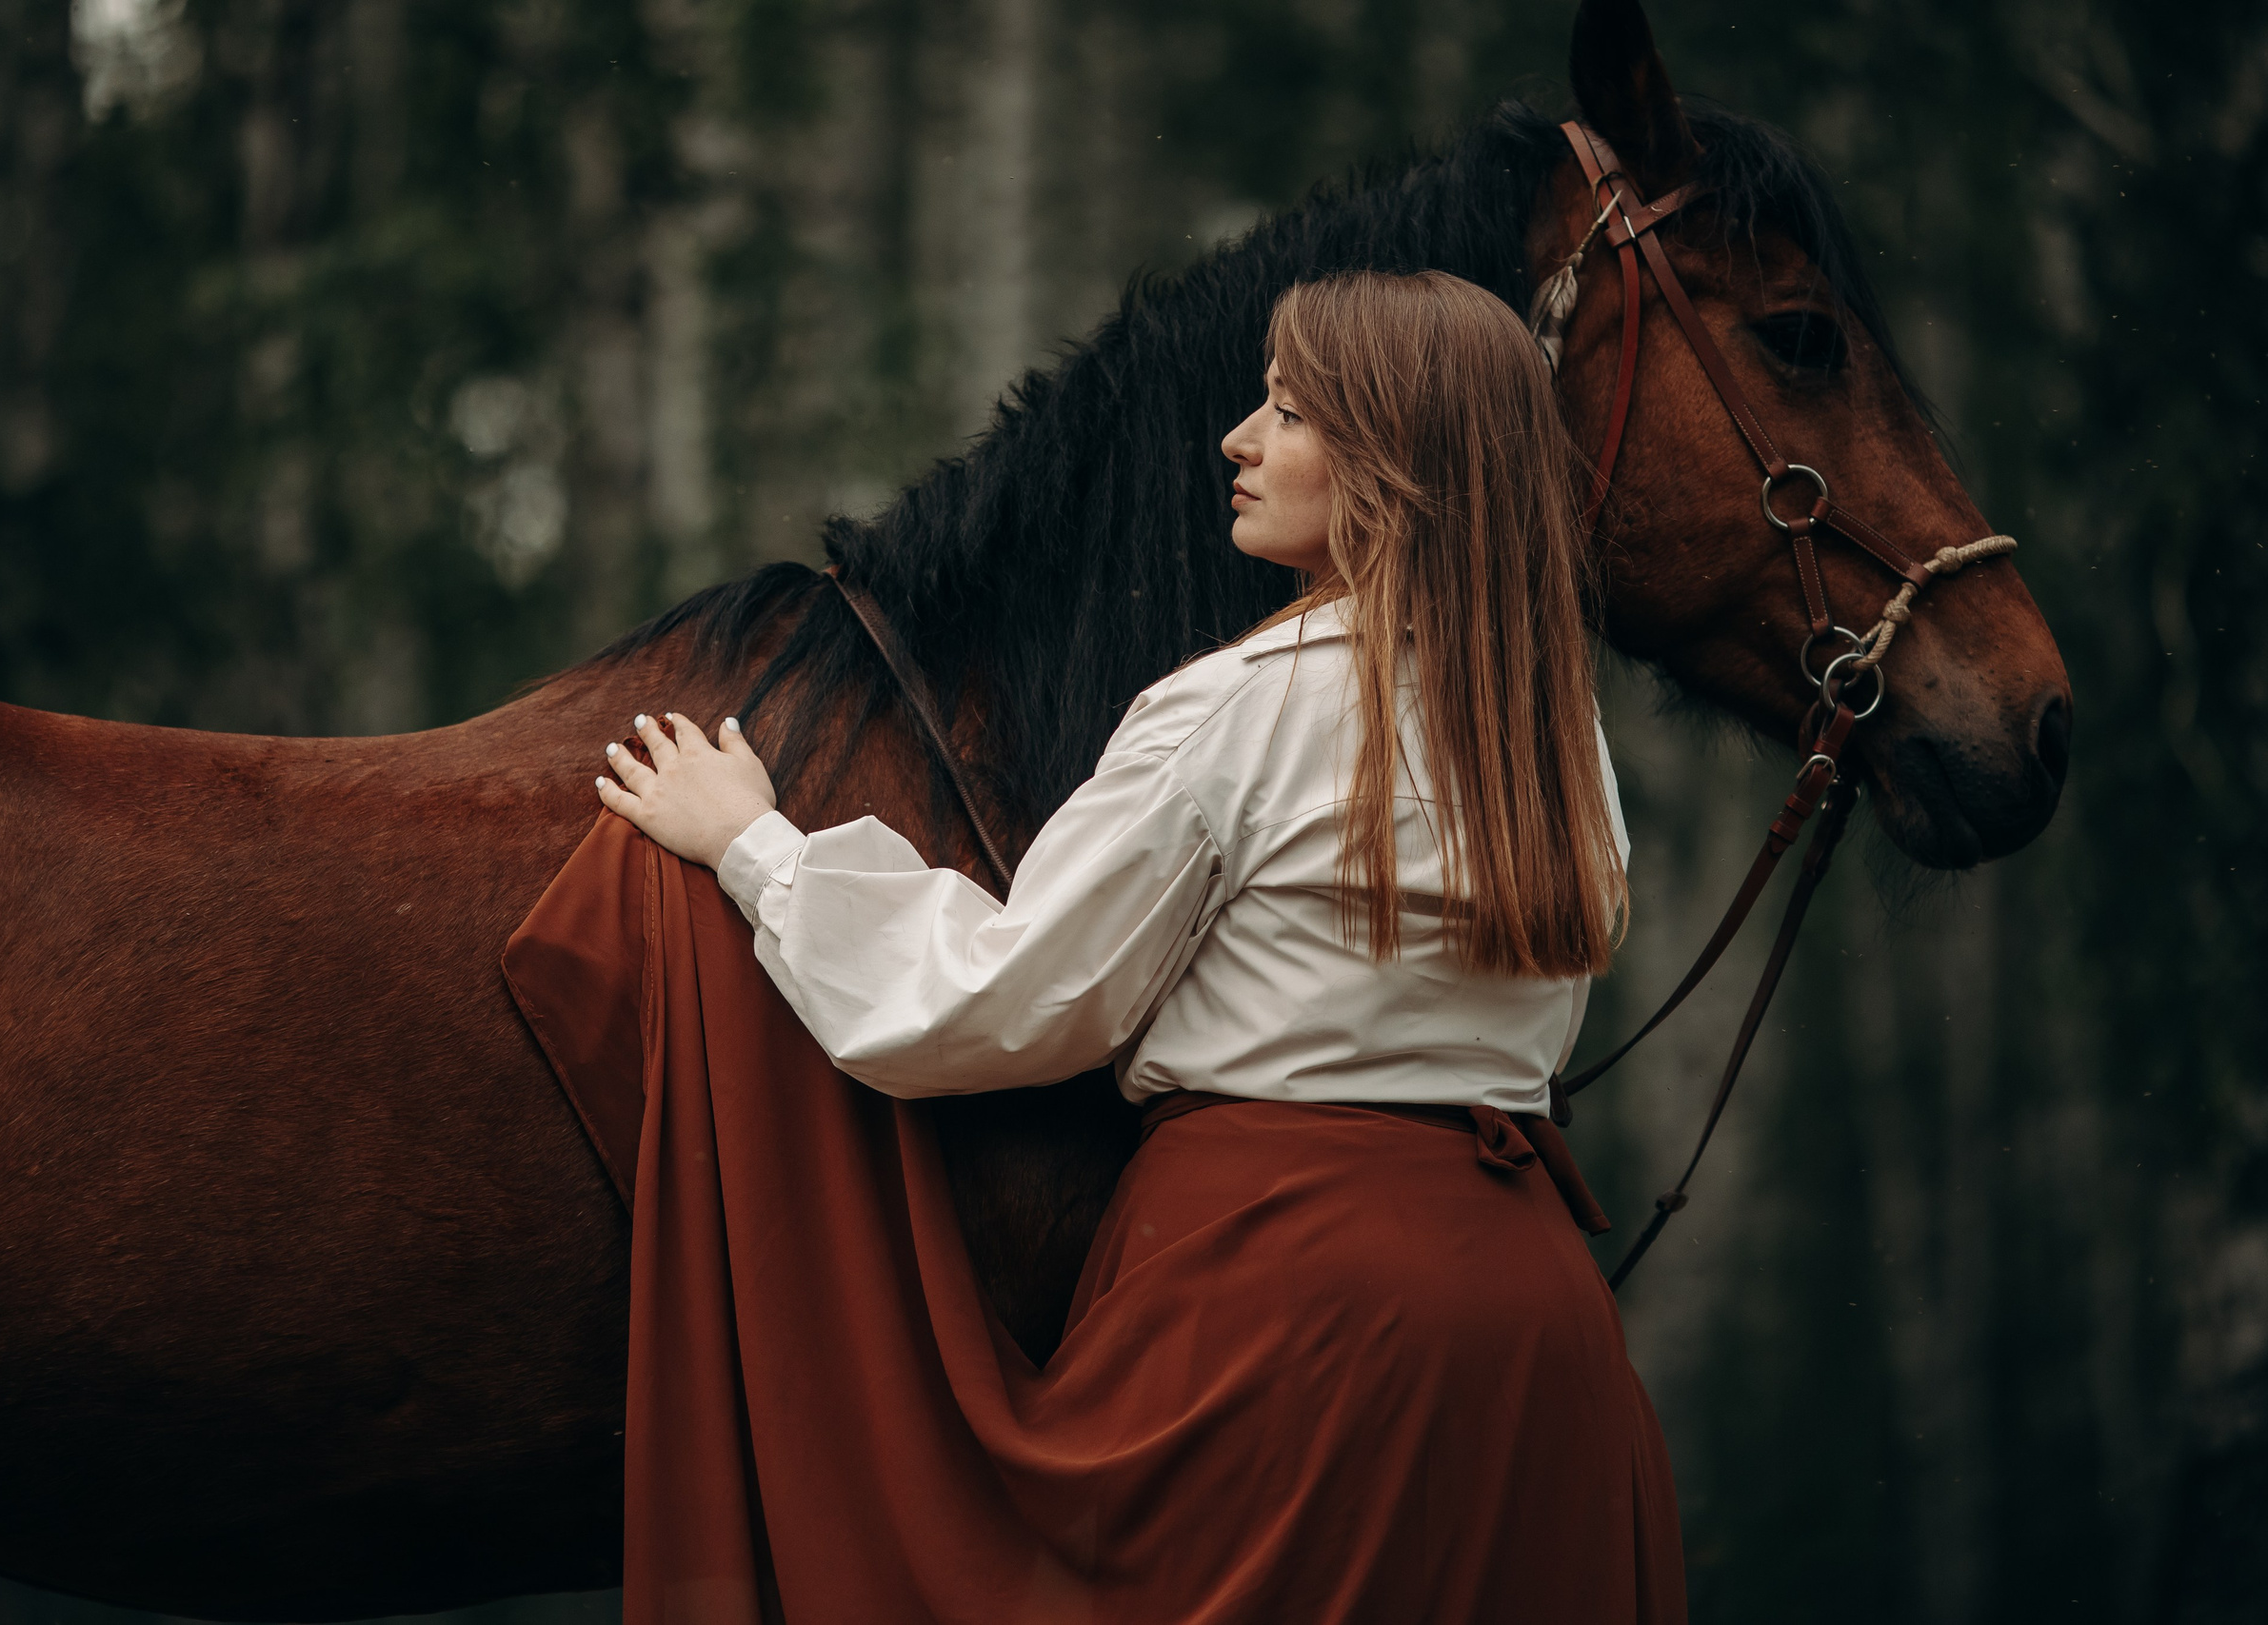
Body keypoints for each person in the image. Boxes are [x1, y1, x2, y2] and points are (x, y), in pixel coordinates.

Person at [595, 268, 1685, 1621]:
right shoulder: (1554, 737)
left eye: (1287, 413)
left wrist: (755, 848)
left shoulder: (1236, 712)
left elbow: (1001, 1003)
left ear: (1390, 466)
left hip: (1292, 1314)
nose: (1236, 439)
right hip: (1537, 1334)